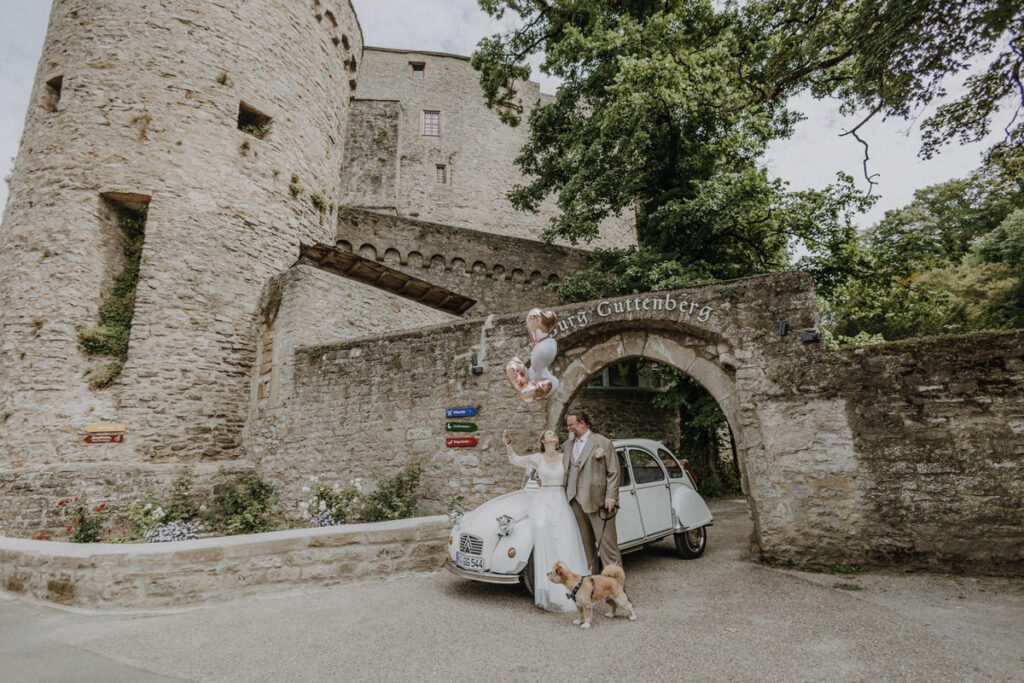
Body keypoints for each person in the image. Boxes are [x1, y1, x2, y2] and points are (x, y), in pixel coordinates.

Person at [503, 429, 589, 612]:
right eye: (549, 434)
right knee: (544, 535)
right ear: (542, 440)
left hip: (559, 499)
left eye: (555, 434)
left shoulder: (564, 456)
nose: (554, 435)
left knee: (565, 540)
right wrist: (508, 443)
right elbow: (515, 460)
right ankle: (547, 587)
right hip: (542, 501)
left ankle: (572, 587)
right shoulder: (537, 458)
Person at [562, 411, 622, 573]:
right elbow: (560, 470)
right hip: (574, 501)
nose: (569, 428)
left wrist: (611, 497)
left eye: (571, 425)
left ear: (582, 423)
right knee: (585, 548)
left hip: (599, 502)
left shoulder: (602, 442)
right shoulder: (566, 446)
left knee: (607, 547)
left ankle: (618, 590)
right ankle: (593, 587)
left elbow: (614, 472)